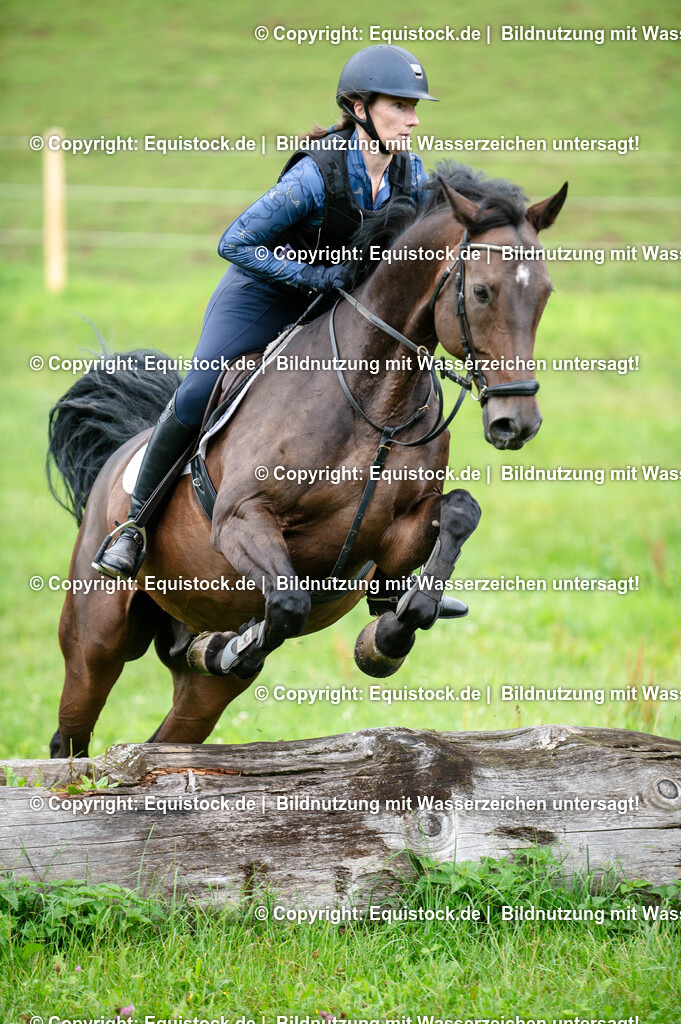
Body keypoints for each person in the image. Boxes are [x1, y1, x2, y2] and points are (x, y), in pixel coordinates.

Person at [93, 45, 441, 596]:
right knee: (198, 391)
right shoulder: (313, 176)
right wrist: (312, 276)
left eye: (414, 107)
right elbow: (235, 241)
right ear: (358, 108)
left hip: (335, 302)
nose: (414, 119)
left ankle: (396, 568)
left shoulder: (408, 173)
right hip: (264, 292)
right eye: (399, 105)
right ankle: (133, 525)